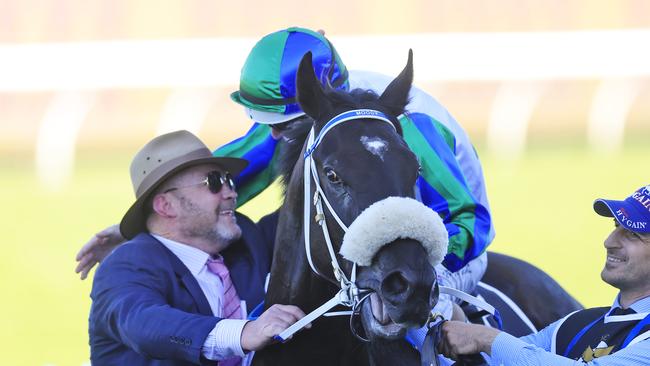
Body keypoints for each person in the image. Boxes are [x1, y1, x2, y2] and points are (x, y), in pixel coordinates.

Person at [77, 27, 494, 321]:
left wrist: (417, 264)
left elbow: (472, 220)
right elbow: (228, 173)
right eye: (266, 122)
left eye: (280, 125)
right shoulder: (306, 118)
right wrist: (143, 224)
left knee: (409, 317)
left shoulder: (408, 123)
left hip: (448, 248)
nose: (272, 135)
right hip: (369, 239)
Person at [88, 130, 309, 365]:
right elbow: (145, 323)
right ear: (166, 206)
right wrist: (244, 333)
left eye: (229, 181)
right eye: (214, 182)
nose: (232, 193)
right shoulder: (126, 265)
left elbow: (321, 203)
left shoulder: (248, 241)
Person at [438, 185, 650, 365]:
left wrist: (486, 337)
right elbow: (499, 359)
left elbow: (498, 346)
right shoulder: (575, 324)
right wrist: (434, 318)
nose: (609, 242)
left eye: (633, 234)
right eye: (616, 226)